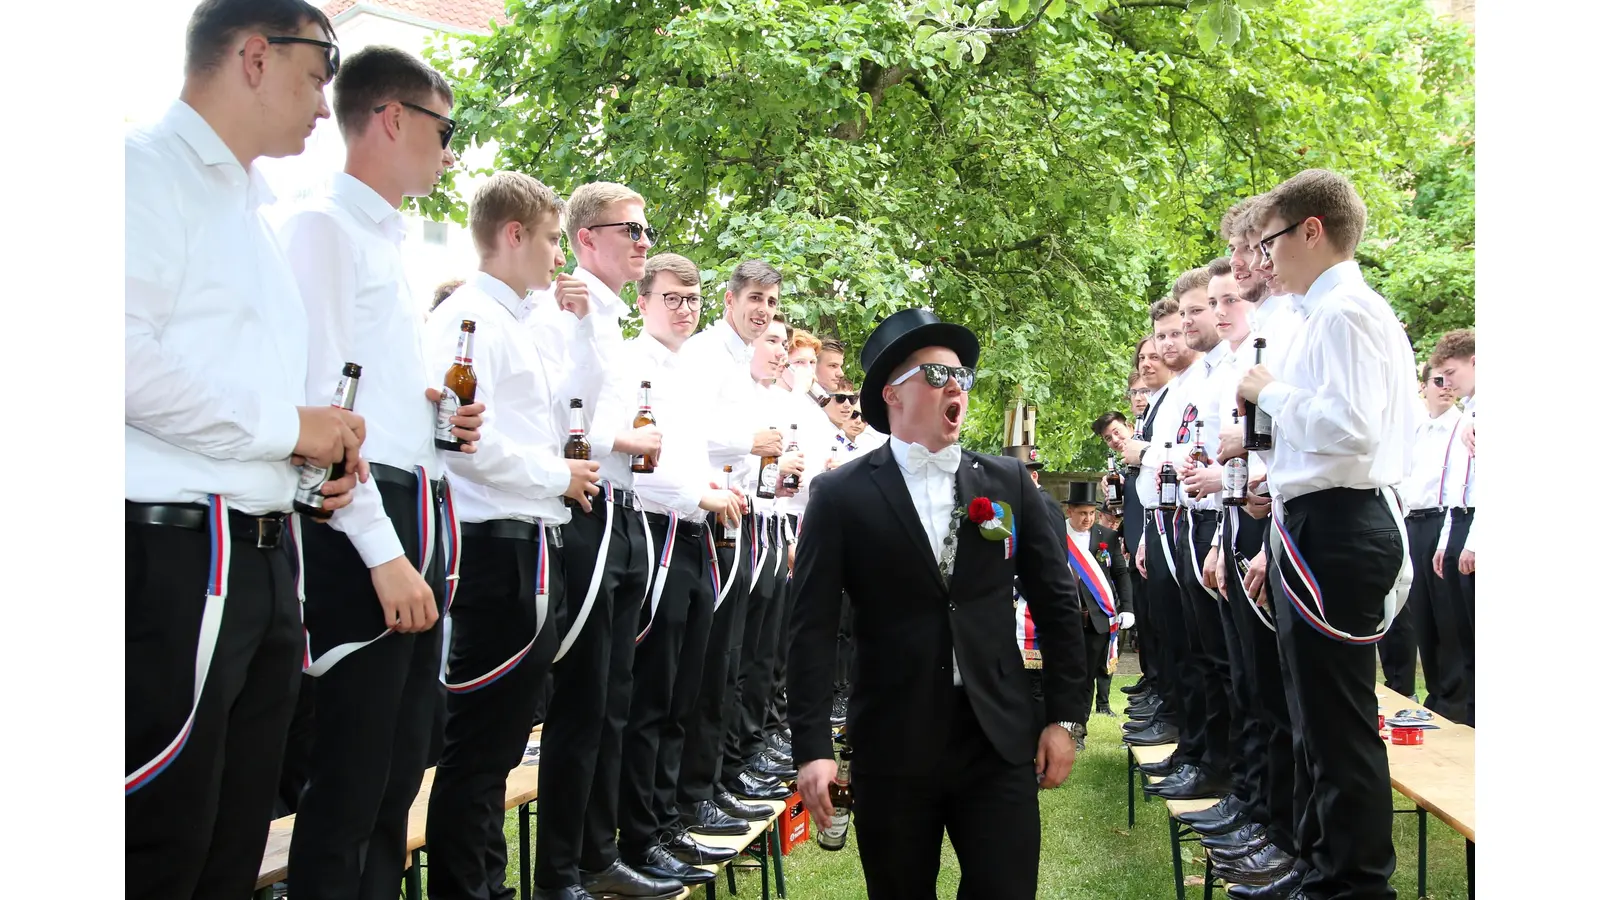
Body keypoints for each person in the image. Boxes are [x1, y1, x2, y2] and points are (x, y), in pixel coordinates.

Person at [125, 2, 366, 897]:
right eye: (317, 74)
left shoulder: (250, 206)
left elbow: (230, 381)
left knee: (232, 838)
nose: (322, 102)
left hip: (260, 553)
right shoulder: (141, 170)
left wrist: (312, 454)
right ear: (255, 56)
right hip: (181, 550)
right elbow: (110, 356)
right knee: (161, 837)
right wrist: (286, 429)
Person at [276, 44, 485, 900]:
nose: (450, 149)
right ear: (392, 118)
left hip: (412, 500)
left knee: (400, 771)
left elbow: (369, 394)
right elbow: (317, 405)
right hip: (362, 519)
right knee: (352, 781)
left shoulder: (379, 233)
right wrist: (380, 549)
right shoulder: (321, 226)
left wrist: (433, 412)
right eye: (446, 127)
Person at [789, 307, 1088, 900]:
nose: (956, 386)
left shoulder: (1005, 484)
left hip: (996, 736)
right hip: (892, 741)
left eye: (962, 377)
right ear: (892, 396)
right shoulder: (840, 495)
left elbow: (1058, 604)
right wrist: (813, 748)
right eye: (934, 375)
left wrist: (1065, 718)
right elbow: (813, 628)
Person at [1236, 169, 1416, 900]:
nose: (1264, 258)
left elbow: (1351, 432)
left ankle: (1353, 883)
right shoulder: (1326, 315)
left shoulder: (1346, 313)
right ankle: (1320, 866)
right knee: (1313, 719)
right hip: (1316, 520)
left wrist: (1266, 391)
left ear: (1312, 229)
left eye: (1272, 240)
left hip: (1341, 524)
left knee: (1338, 725)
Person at [424, 172, 603, 900]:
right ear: (514, 235)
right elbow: (463, 442)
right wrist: (556, 477)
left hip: (526, 537)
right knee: (481, 744)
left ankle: (486, 886)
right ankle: (469, 891)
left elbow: (561, 407)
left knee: (495, 746)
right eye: (555, 238)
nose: (560, 257)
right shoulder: (471, 319)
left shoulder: (520, 320)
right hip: (497, 543)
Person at [532, 181, 687, 900]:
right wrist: (622, 438)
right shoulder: (566, 312)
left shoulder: (607, 321)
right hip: (587, 511)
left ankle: (598, 854)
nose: (643, 242)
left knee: (612, 701)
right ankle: (559, 871)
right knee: (584, 703)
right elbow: (551, 420)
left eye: (646, 230)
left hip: (623, 511)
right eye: (630, 230)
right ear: (585, 238)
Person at [1397, 364, 1465, 719]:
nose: (1445, 387)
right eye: (1437, 380)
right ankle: (1436, 695)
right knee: (1419, 612)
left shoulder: (1461, 424)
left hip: (1443, 520)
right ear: (1424, 386)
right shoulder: (1416, 429)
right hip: (1412, 522)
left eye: (1449, 380)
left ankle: (1456, 699)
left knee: (1447, 614)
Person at [1429, 328, 1476, 727]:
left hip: (1478, 522)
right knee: (1462, 630)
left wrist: (1474, 541)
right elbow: (1457, 484)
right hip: (1458, 517)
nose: (1447, 382)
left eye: (1451, 371)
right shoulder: (1474, 410)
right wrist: (1448, 538)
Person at [1061, 482, 1132, 721]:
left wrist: (1128, 608)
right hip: (1064, 616)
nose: (1088, 519)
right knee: (1066, 675)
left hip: (1096, 619)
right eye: (1082, 513)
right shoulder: (1056, 534)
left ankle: (1079, 727)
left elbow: (1121, 573)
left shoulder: (1108, 537)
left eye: (1092, 513)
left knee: (1088, 675)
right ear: (1069, 511)